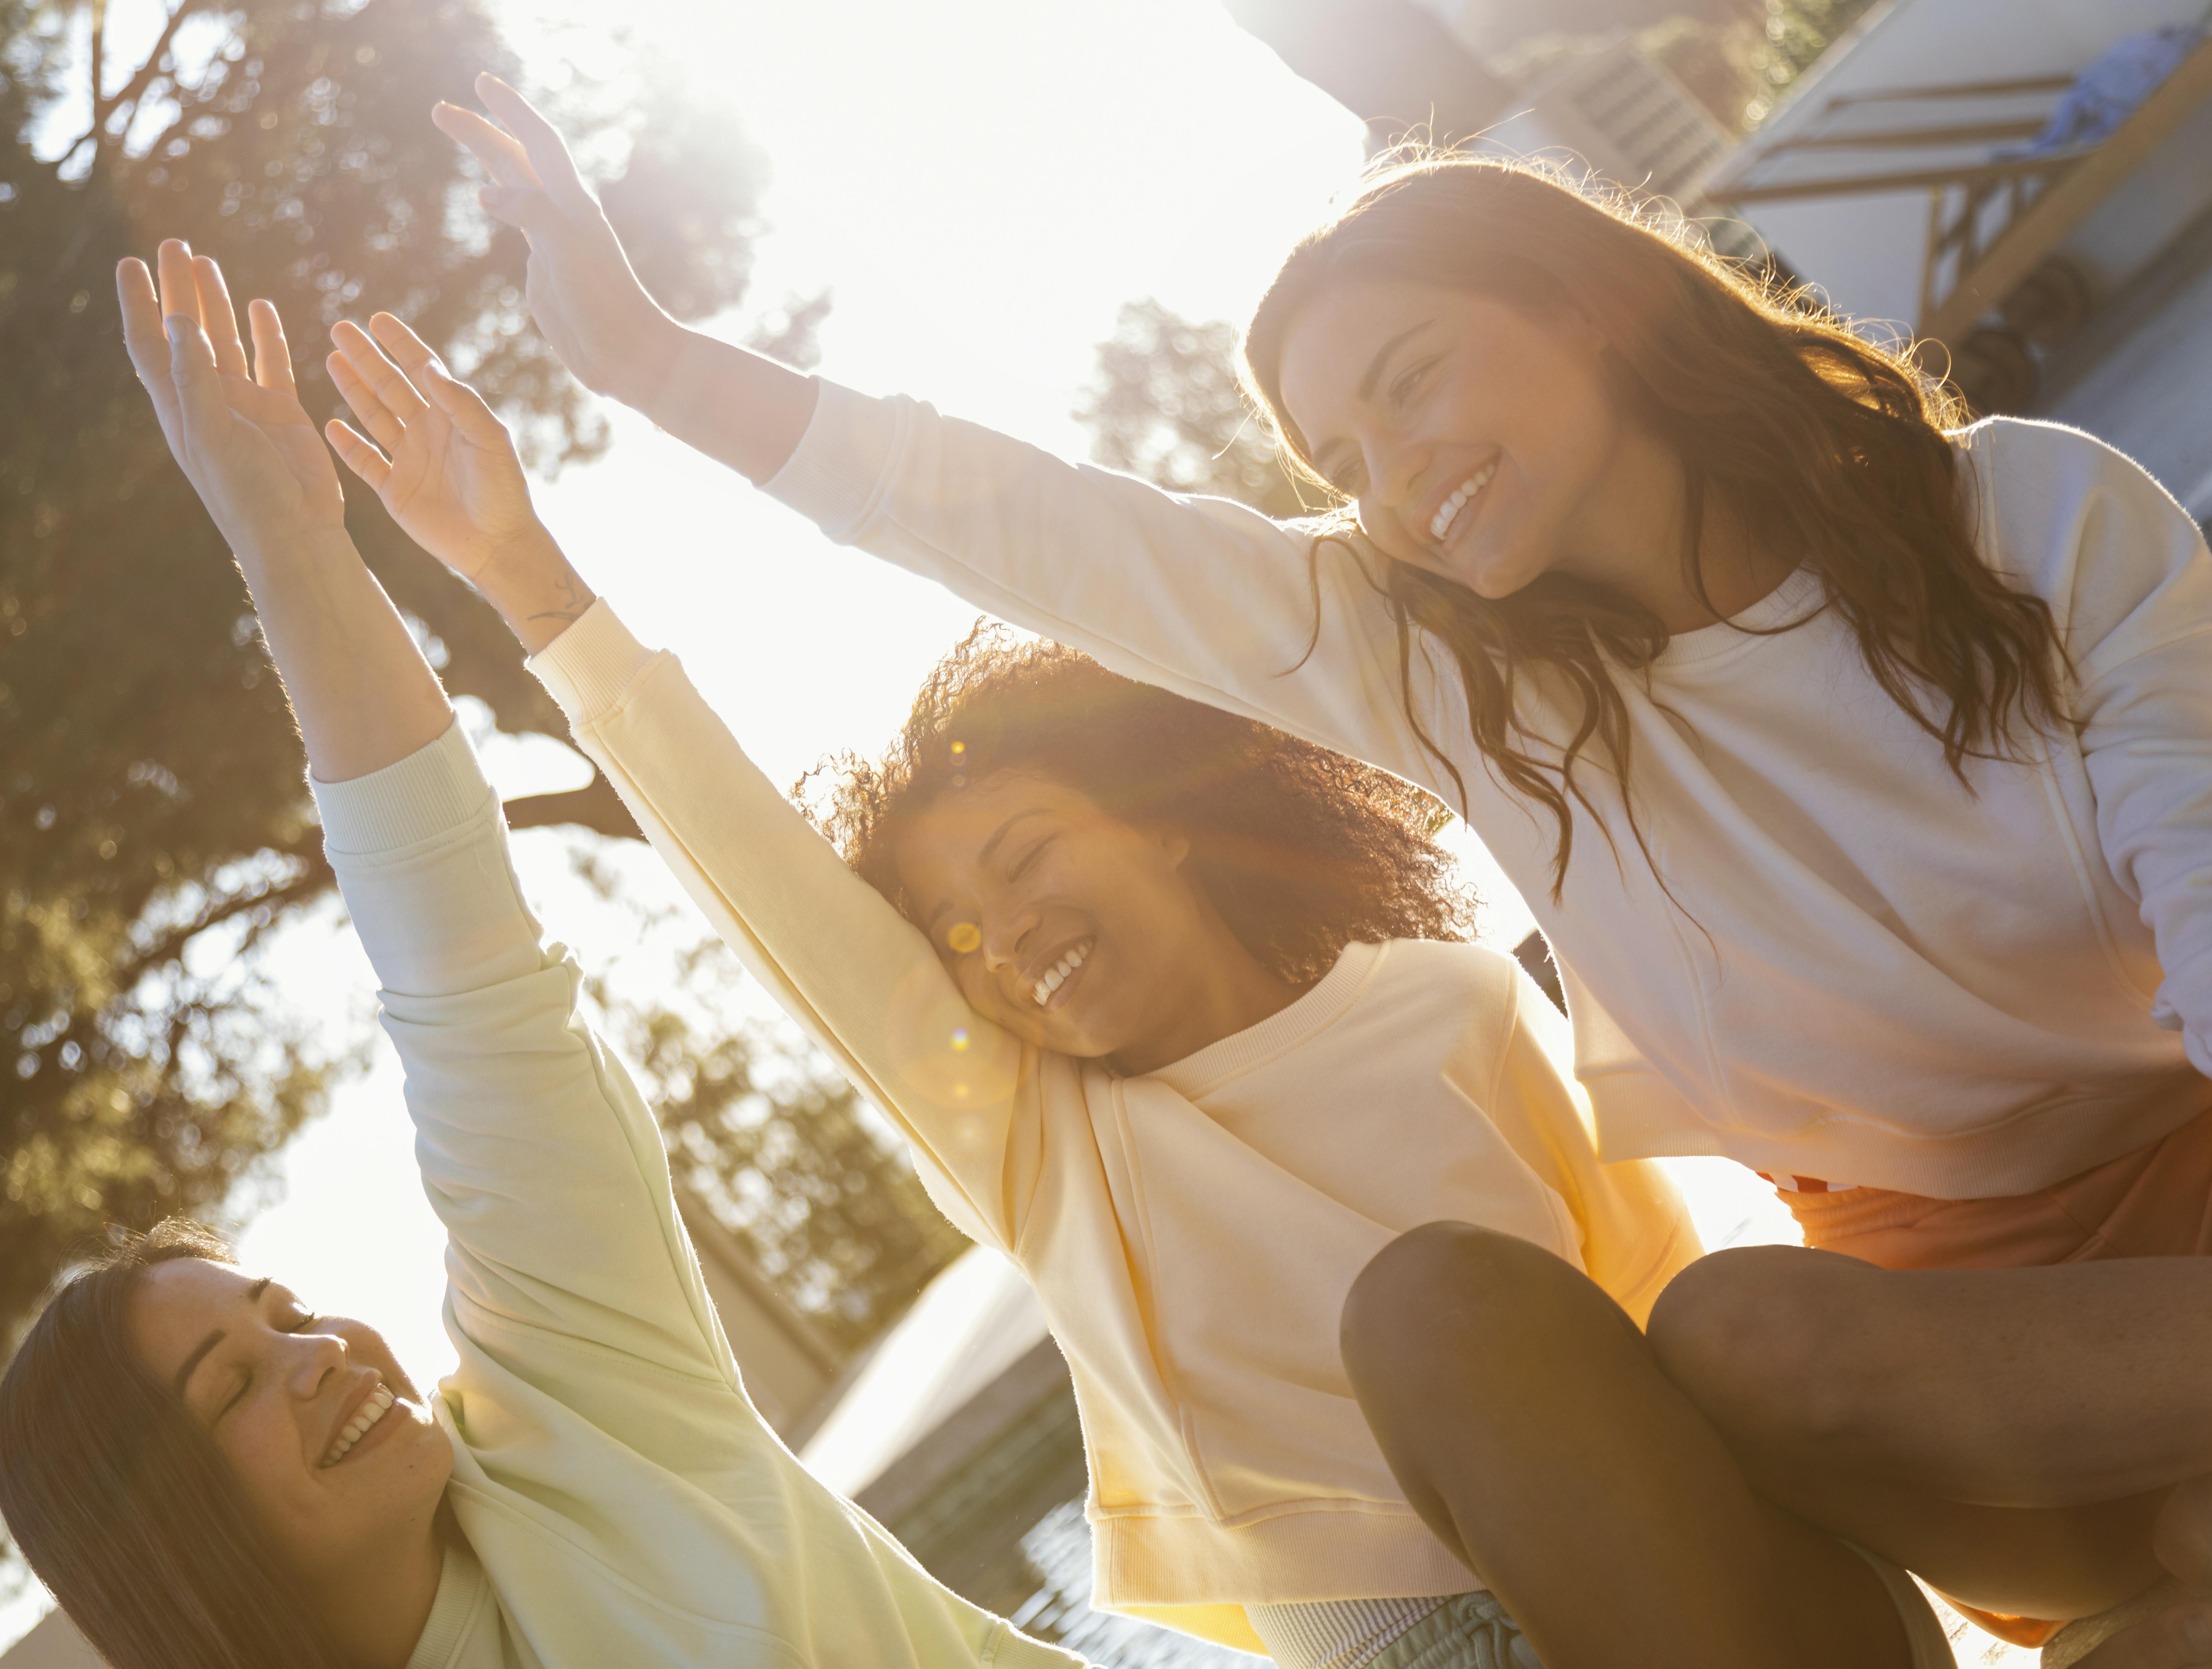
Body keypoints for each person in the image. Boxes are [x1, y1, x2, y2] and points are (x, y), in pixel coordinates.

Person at [431, 72, 2212, 1668]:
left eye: (1408, 378)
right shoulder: (1469, 690)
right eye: (1340, 459)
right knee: (1741, 1334)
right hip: (1969, 1394)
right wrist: (654, 382)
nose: (1393, 477)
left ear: (1584, 301)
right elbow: (1054, 533)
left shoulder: (2026, 528)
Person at [320, 295, 1956, 1669]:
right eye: (956, 934)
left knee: (1492, 1314)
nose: (999, 935)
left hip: (1719, 1593)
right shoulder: (1046, 1148)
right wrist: (531, 584)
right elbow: (774, 895)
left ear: (1165, 831)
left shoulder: (1448, 1002)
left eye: (1023, 856)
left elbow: (1665, 1319)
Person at [0, 240, 1091, 1669]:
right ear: (175, 1542)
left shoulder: (576, 1410)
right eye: (233, 1384)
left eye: (290, 1314)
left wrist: (290, 545)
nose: (322, 1354)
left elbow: (464, 978)